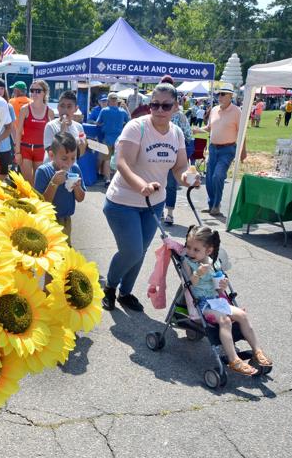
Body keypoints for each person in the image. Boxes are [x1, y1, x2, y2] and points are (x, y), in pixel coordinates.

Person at [102, 82, 197, 312]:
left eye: (166, 106)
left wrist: (188, 178)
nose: (159, 110)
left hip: (153, 203)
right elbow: (122, 162)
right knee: (132, 251)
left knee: (141, 251)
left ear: (176, 107)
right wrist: (141, 184)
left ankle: (126, 292)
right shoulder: (137, 127)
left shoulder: (176, 133)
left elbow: (180, 166)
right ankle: (109, 288)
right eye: (154, 105)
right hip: (122, 201)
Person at [181, 226, 272, 375]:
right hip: (202, 303)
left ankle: (258, 351)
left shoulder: (214, 263)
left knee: (242, 315)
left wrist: (222, 286)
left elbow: (219, 290)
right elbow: (189, 284)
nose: (190, 252)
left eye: (196, 250)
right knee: (225, 320)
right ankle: (234, 359)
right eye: (188, 247)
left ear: (208, 251)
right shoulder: (187, 262)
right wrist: (197, 274)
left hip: (217, 301)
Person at [193, 83, 247, 216]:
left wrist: (243, 151)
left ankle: (216, 205)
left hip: (228, 149)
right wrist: (198, 130)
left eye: (223, 94)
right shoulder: (214, 110)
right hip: (213, 148)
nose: (220, 96)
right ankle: (212, 204)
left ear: (230, 96)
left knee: (218, 176)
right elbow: (209, 127)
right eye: (219, 94)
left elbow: (242, 132)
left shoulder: (237, 112)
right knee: (210, 178)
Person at [34, 132, 86, 245]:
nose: (69, 163)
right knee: (50, 250)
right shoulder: (43, 172)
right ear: (52, 155)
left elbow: (80, 198)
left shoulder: (75, 169)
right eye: (64, 158)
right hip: (48, 221)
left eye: (73, 158)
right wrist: (54, 183)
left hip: (66, 219)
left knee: (65, 250)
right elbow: (41, 203)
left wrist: (77, 188)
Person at [15, 79, 53, 184]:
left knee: (39, 183)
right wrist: (17, 152)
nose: (34, 93)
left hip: (41, 150)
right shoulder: (25, 109)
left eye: (38, 90)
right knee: (28, 183)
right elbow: (18, 132)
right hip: (25, 149)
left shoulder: (50, 112)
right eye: (32, 90)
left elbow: (52, 135)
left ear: (44, 92)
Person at [163, 97, 195, 225]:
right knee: (159, 182)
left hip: (175, 155)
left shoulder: (180, 117)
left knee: (170, 184)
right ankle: (159, 210)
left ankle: (169, 213)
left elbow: (189, 136)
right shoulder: (156, 116)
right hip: (157, 155)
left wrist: (183, 156)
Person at [96, 92, 130, 187]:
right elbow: (129, 122)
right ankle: (116, 179)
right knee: (117, 159)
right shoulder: (122, 112)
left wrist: (104, 124)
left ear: (109, 100)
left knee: (106, 159)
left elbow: (98, 123)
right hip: (119, 139)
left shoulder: (104, 111)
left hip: (107, 138)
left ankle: (107, 180)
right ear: (117, 100)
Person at [43, 90, 87, 162]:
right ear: (57, 107)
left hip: (70, 169)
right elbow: (52, 153)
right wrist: (62, 132)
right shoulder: (50, 126)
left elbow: (80, 154)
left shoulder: (79, 127)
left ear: (75, 109)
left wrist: (82, 145)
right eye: (62, 106)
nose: (65, 110)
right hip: (52, 170)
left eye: (69, 106)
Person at [0, 78, 16, 178]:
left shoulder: (9, 106)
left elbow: (12, 127)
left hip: (4, 146)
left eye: (2, 88)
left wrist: (16, 145)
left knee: (3, 174)